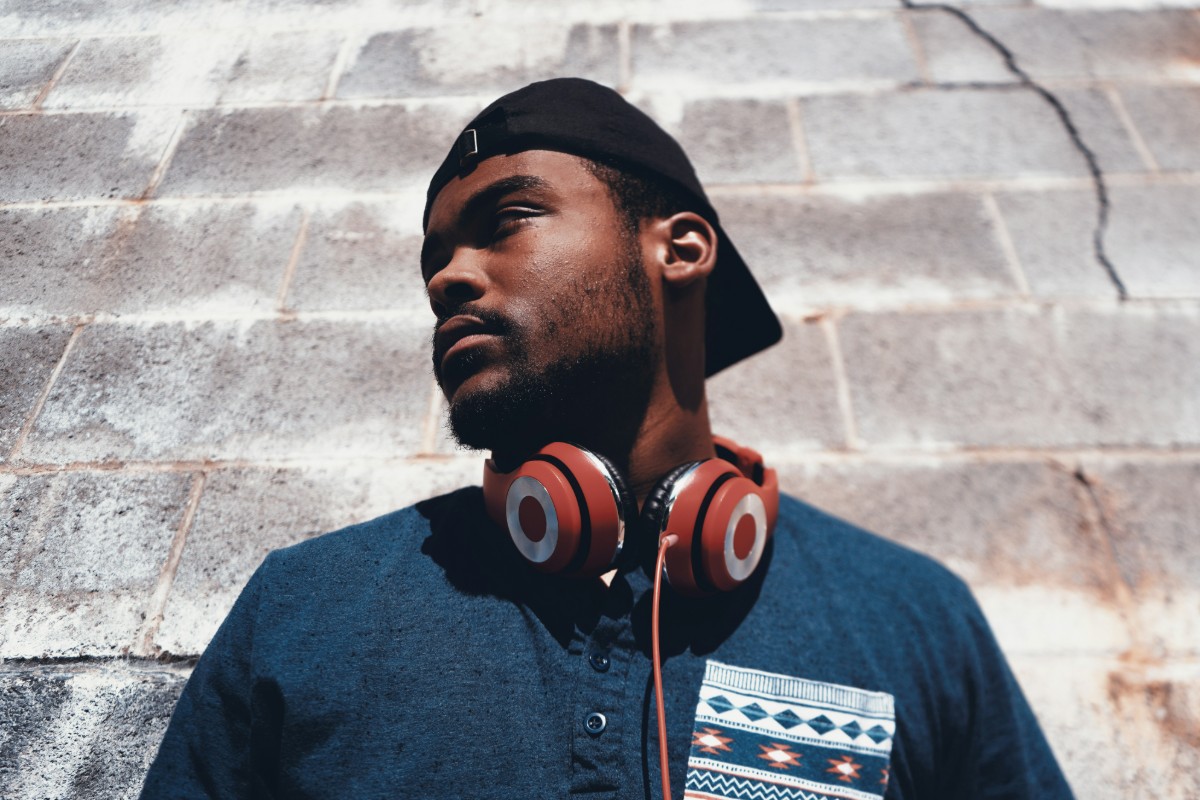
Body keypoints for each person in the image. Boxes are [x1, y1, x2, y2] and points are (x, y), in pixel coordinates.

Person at [140, 78, 1074, 800]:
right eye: (434, 258)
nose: (447, 279)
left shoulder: (911, 615)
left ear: (680, 248)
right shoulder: (305, 606)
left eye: (506, 219)